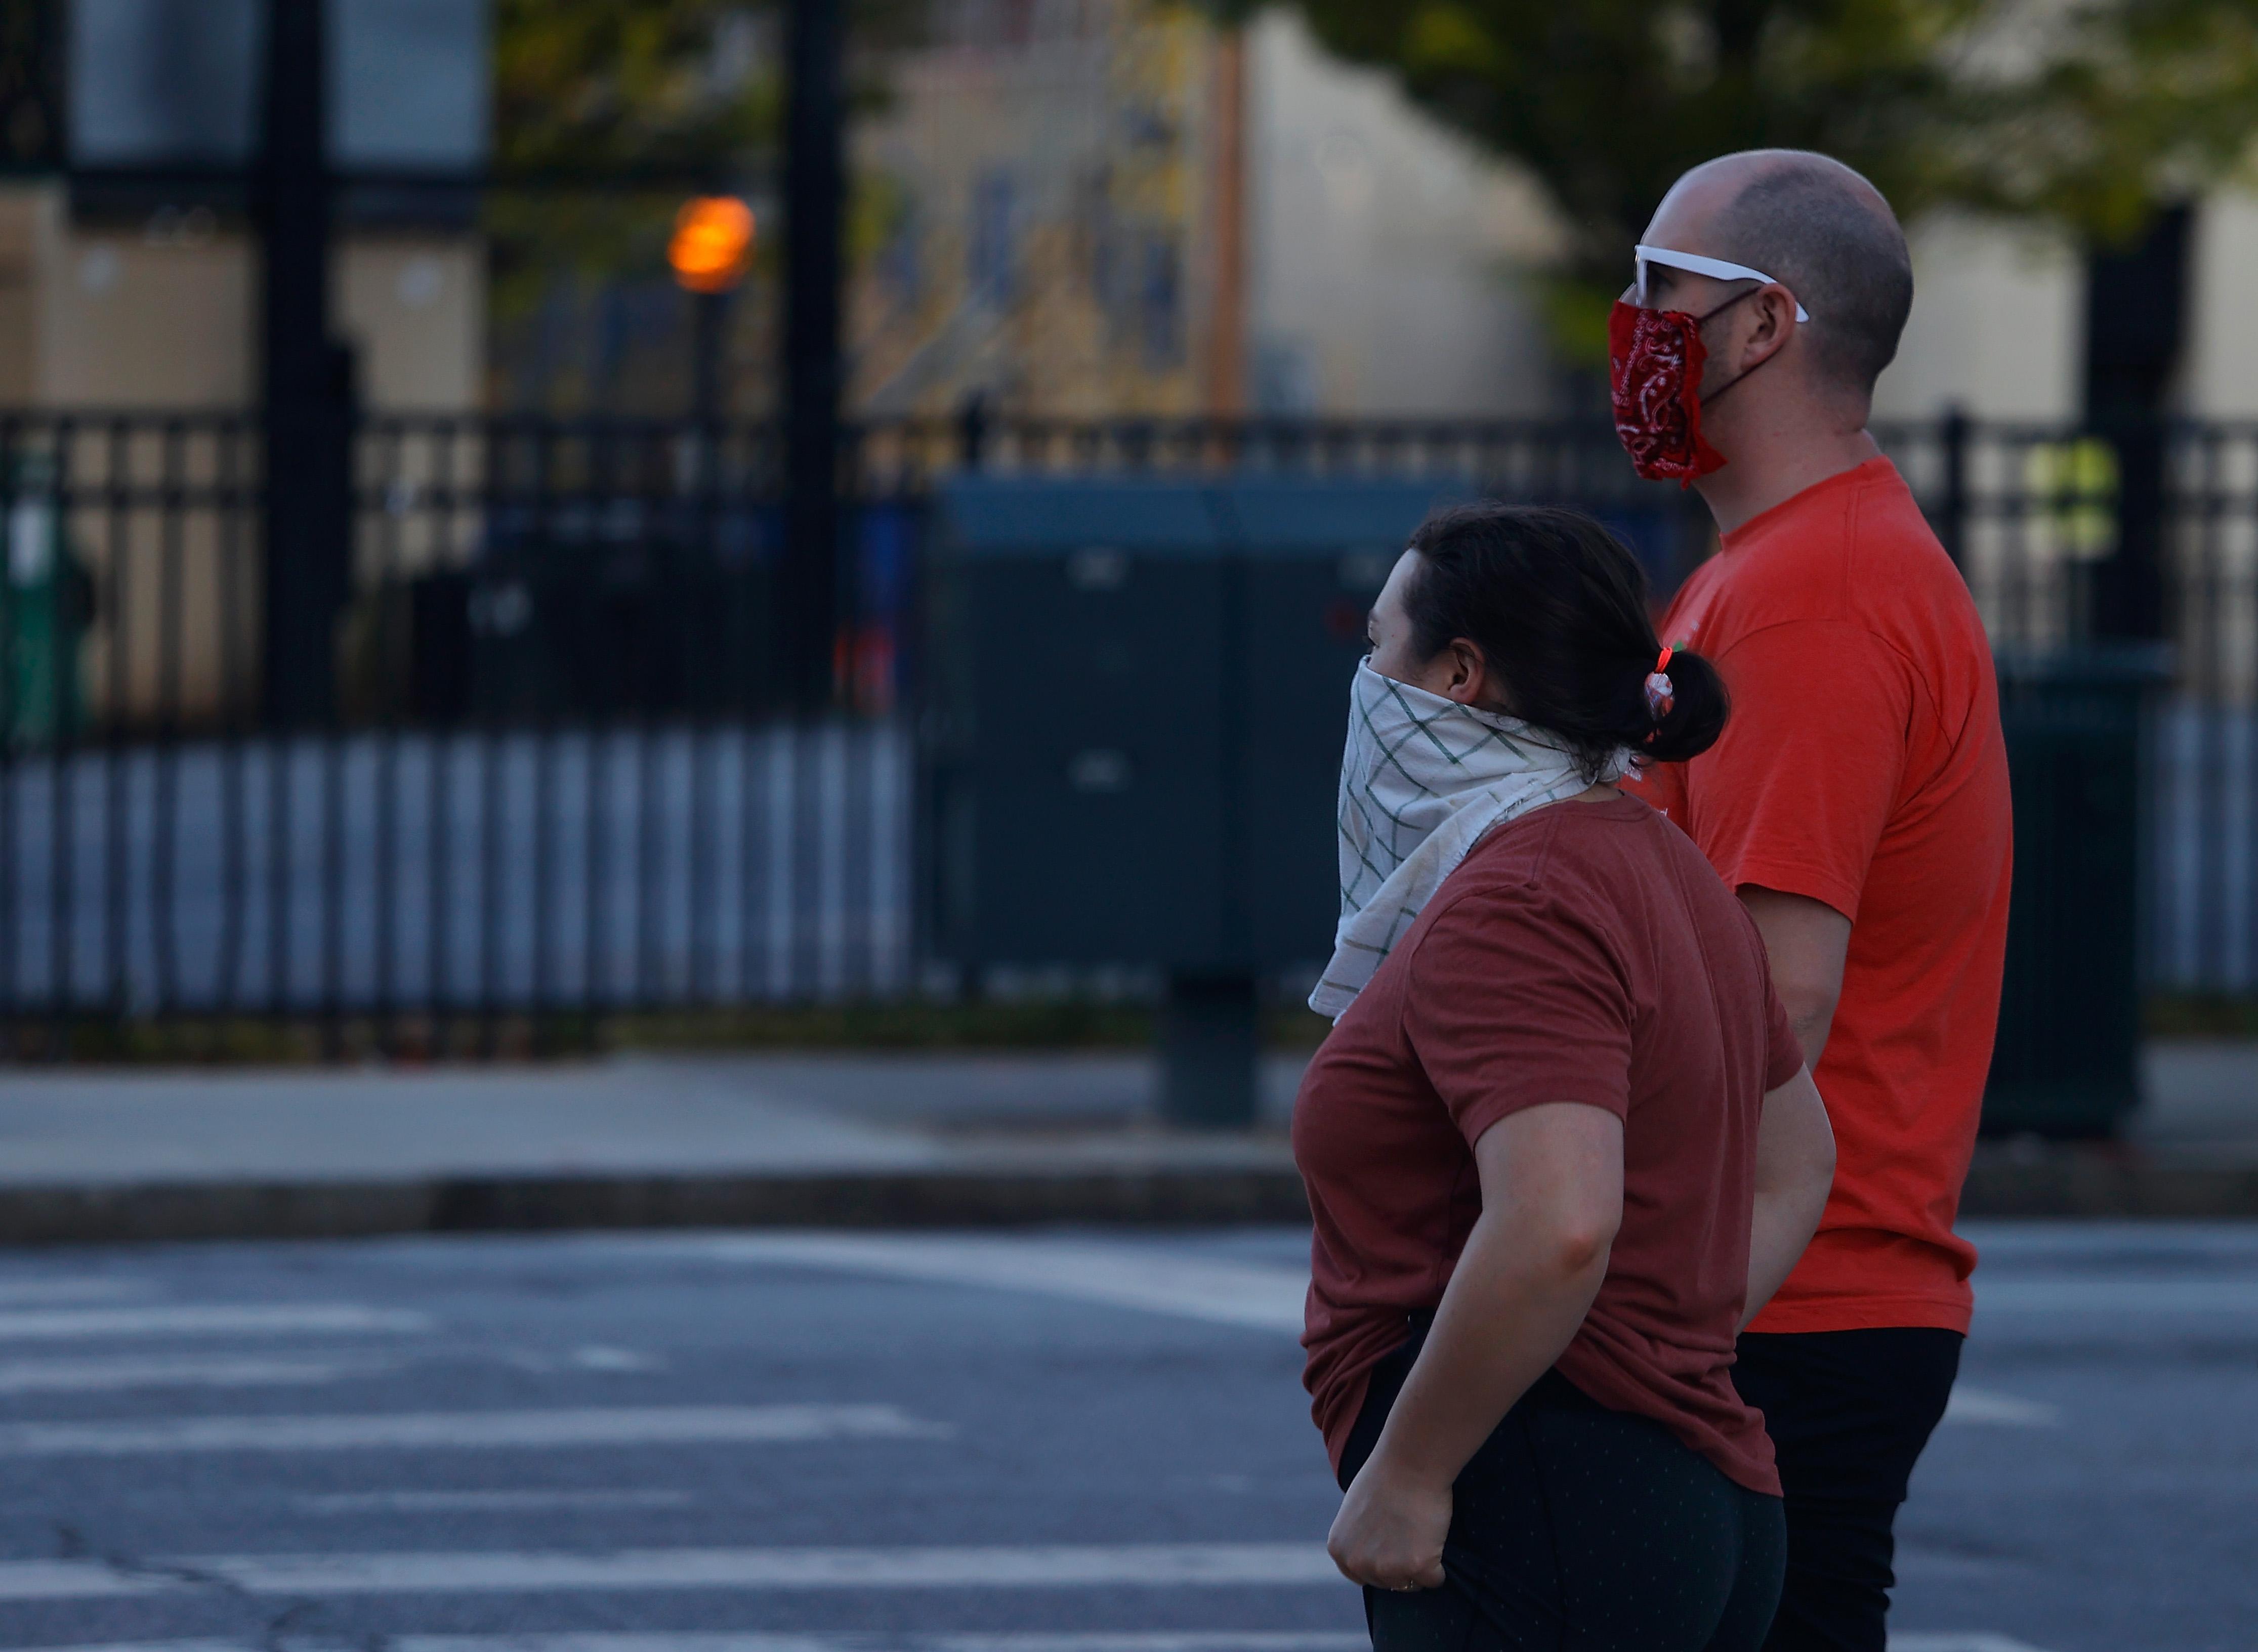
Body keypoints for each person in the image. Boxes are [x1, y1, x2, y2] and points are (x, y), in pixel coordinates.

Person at [1296, 503, 1838, 1650]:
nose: (1362, 671)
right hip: (1668, 1496)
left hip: (1545, 1495)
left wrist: (1410, 1468)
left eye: (1376, 642)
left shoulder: (1523, 893)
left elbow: (1557, 1224)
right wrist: (1657, 1345)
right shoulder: (1651, 856)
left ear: (1455, 673)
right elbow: (1795, 1167)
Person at [1615, 150, 2015, 1652]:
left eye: (1659, 284)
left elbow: (1772, 999)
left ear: (1763, 324)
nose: (1631, 320)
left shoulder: (1809, 594)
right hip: (1782, 1302)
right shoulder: (1792, 564)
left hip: (1774, 1307)